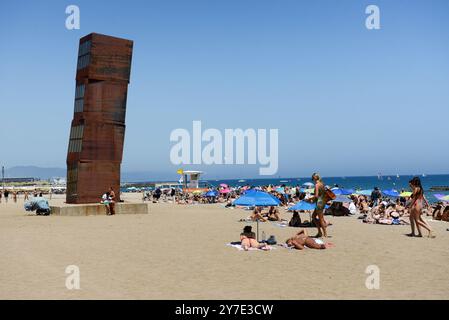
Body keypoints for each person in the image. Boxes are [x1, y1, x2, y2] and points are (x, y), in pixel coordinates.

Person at [309, 173, 328, 238]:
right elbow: (322, 194)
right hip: (322, 201)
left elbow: (316, 195)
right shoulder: (322, 184)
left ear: (314, 178)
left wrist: (310, 198)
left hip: (319, 202)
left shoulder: (317, 185)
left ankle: (324, 233)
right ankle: (320, 232)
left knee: (321, 218)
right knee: (314, 216)